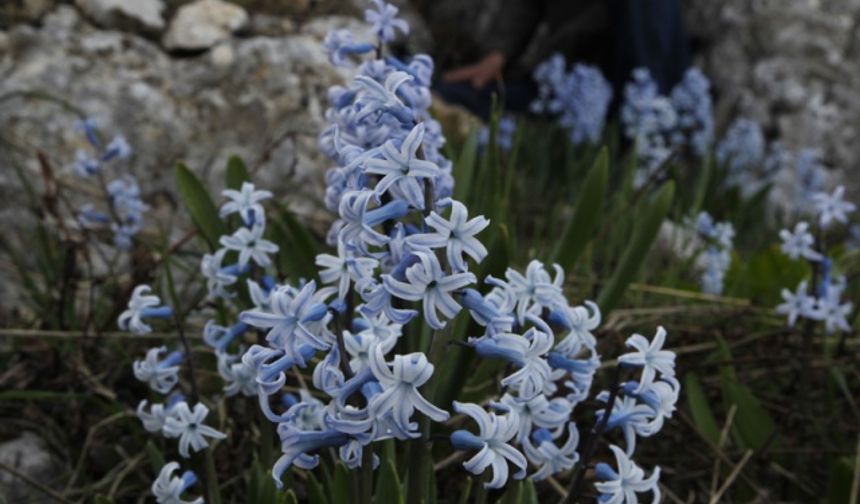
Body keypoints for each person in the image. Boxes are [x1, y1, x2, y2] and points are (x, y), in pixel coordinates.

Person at [433, 0, 690, 118]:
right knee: (448, 95)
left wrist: (646, 110)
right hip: (565, 84)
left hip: (636, 89)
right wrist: (497, 54)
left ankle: (642, 136)